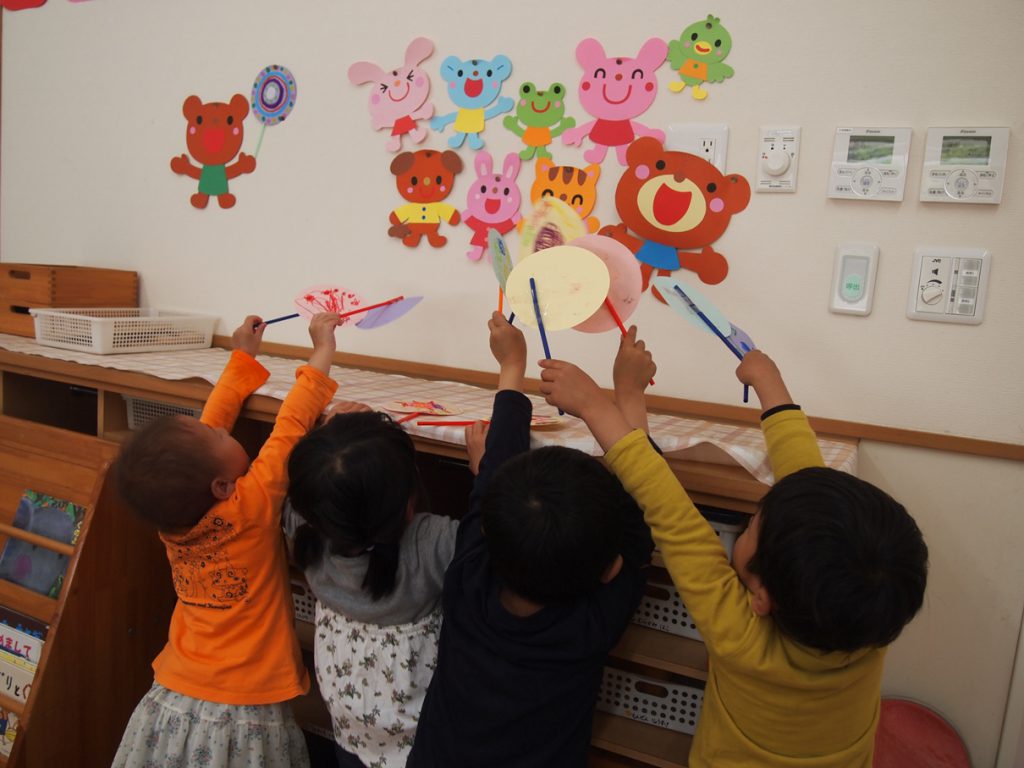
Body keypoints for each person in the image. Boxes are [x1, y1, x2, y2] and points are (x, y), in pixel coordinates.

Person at [539, 340, 929, 767]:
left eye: (752, 524)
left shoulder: (736, 630)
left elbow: (669, 510)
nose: (748, 524)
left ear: (761, 596)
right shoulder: (869, 624)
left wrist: (594, 405)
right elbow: (808, 486)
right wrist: (768, 380)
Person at [407, 313, 654, 767]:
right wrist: (630, 395)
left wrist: (512, 366)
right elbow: (644, 501)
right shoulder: (593, 625)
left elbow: (497, 469)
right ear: (611, 569)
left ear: (485, 528)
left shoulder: (466, 578)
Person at [110, 312, 341, 768]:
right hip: (245, 708)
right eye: (219, 435)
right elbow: (290, 428)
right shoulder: (251, 505)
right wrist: (323, 350)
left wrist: (242, 358)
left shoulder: (173, 522)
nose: (220, 426)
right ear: (220, 485)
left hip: (177, 689)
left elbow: (206, 430)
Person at [285, 401, 459, 768]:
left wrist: (331, 441)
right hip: (422, 741)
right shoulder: (430, 543)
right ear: (408, 504)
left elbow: (310, 490)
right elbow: (493, 536)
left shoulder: (308, 530)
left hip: (351, 729)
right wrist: (486, 465)